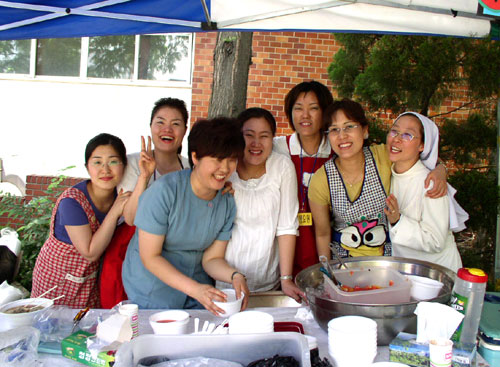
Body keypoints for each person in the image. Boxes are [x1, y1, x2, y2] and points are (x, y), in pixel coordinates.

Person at [122, 117, 250, 314]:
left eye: (231, 159)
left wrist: (235, 276)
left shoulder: (226, 202)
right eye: (217, 159)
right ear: (196, 157)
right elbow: (150, 257)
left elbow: (211, 259)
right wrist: (195, 290)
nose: (225, 169)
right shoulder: (164, 192)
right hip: (152, 289)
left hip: (197, 291)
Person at [308, 99, 448, 260]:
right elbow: (323, 233)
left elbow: (417, 153)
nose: (342, 136)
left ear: (365, 130)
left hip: (388, 263)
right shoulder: (321, 180)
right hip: (345, 264)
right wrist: (327, 272)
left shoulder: (383, 156)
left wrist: (440, 169)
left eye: (349, 126)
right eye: (334, 130)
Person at [99, 97, 190, 308]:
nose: (167, 128)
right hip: (130, 253)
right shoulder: (132, 162)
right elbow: (130, 218)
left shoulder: (189, 168)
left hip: (174, 256)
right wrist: (144, 176)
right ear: (150, 127)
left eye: (175, 123)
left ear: (185, 130)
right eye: (160, 122)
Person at [31, 133, 130, 308]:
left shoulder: (121, 197)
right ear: (87, 167)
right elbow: (90, 251)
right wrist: (114, 212)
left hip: (88, 283)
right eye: (97, 162)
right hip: (55, 282)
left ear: (124, 165)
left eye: (113, 161)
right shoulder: (72, 202)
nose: (105, 170)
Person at [216, 108, 304, 302]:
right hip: (226, 282)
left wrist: (286, 279)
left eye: (264, 136)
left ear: (273, 139)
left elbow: (287, 226)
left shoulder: (282, 167)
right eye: (249, 135)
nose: (256, 143)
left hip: (269, 282)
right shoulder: (224, 168)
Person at [384, 112, 465, 272]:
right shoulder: (387, 171)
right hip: (405, 270)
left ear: (422, 146)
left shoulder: (431, 183)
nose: (397, 139)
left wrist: (397, 222)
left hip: (437, 273)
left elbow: (435, 240)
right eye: (394, 131)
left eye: (408, 135)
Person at [273, 80, 334, 276]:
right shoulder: (277, 148)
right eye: (298, 108)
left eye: (313, 108)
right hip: (286, 237)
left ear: (325, 112)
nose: (305, 115)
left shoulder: (338, 150)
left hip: (327, 237)